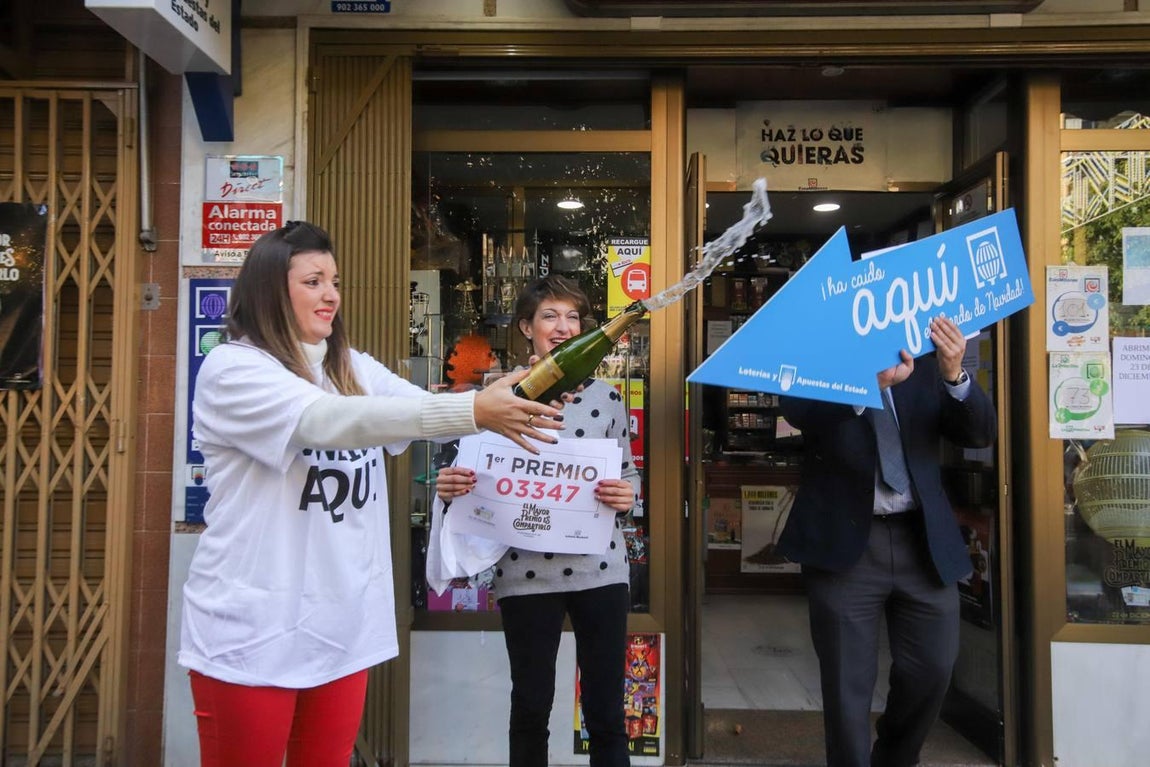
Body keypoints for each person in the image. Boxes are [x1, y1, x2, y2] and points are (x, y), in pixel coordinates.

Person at [178, 221, 564, 767]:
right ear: (269, 289)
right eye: (313, 281)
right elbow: (332, 420)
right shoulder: (234, 369)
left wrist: (510, 392)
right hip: (253, 631)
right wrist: (473, 409)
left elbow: (423, 412)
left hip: (341, 626)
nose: (331, 294)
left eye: (334, 280)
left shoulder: (349, 365)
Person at [436, 275, 638, 767]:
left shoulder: (608, 398)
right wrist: (450, 489)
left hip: (601, 569)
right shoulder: (493, 395)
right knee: (530, 706)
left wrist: (626, 495)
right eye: (550, 316)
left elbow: (629, 480)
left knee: (608, 710)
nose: (563, 327)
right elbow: (466, 476)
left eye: (573, 317)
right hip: (524, 574)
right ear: (526, 327)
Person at [777, 315, 996, 767]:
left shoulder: (925, 355)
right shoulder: (818, 352)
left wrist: (955, 375)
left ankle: (895, 757)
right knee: (846, 685)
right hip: (845, 546)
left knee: (933, 669)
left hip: (923, 541)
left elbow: (979, 433)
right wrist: (863, 385)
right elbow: (797, 412)